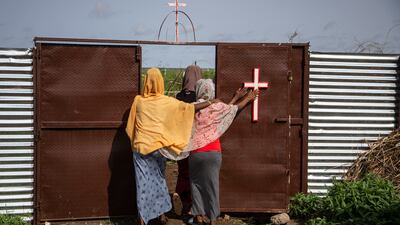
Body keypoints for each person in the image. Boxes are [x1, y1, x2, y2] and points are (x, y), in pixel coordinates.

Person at [125, 68, 218, 225]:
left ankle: (142, 219)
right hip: (158, 150)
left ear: (146, 82)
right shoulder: (166, 102)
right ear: (161, 82)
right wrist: (209, 102)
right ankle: (161, 215)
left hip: (140, 149)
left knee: (142, 184)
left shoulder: (138, 101)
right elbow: (188, 108)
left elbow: (130, 127)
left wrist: (138, 141)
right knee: (159, 181)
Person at [188, 79, 257, 225]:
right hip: (213, 151)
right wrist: (247, 98)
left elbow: (227, 110)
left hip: (196, 151)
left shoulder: (193, 107)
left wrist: (236, 97)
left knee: (195, 183)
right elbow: (231, 110)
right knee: (212, 185)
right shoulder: (217, 106)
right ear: (211, 91)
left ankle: (198, 216)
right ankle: (213, 219)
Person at [173, 65, 203, 216]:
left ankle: (179, 194)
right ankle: (192, 206)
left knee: (182, 172)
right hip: (196, 142)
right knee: (194, 174)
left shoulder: (178, 97)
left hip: (180, 141)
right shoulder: (199, 98)